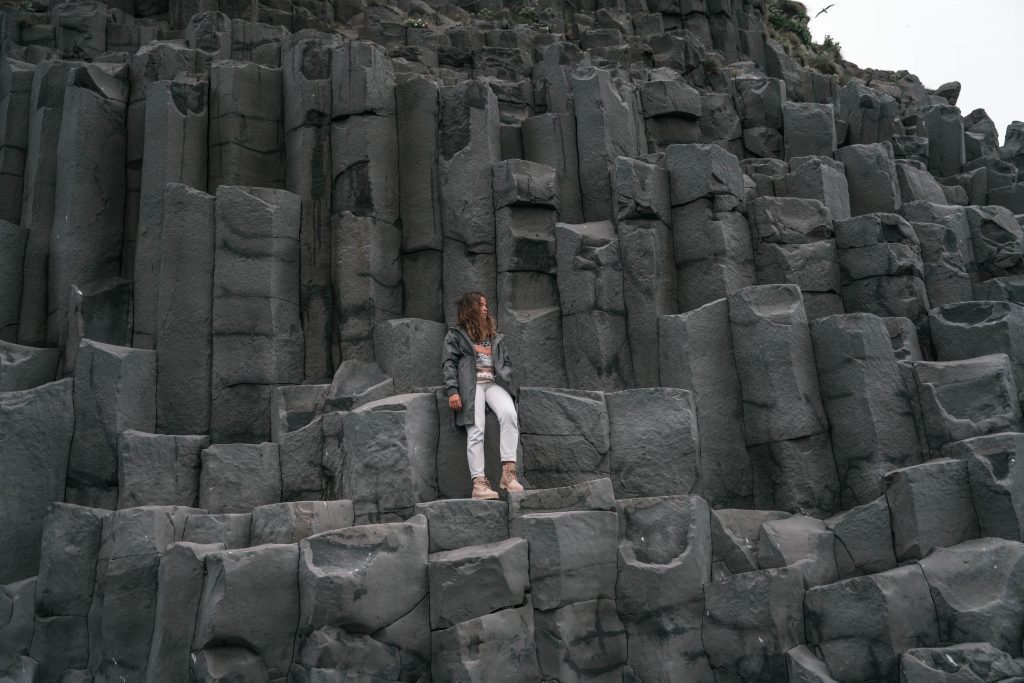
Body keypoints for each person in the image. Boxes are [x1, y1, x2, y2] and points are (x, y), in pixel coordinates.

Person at [441, 291, 524, 500]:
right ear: (471, 309)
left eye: (486, 305)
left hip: (493, 384)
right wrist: (452, 391)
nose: (486, 308)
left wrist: (504, 374)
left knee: (509, 414)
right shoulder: (456, 335)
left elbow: (506, 361)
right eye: (481, 305)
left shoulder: (493, 335)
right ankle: (479, 484)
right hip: (471, 385)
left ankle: (508, 474)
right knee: (476, 429)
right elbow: (449, 363)